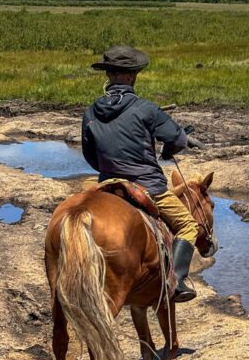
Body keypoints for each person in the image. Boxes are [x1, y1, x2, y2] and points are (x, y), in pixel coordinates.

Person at [82, 45, 198, 302]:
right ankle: (176, 282)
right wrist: (169, 150)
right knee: (189, 226)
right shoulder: (147, 109)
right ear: (133, 76)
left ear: (108, 75)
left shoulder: (90, 112)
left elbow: (91, 158)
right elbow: (177, 139)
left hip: (108, 186)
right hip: (148, 187)